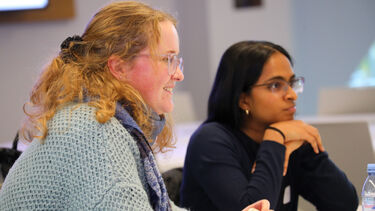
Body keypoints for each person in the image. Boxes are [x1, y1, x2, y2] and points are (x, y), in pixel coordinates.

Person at [0, 2, 274, 211]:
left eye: (177, 61)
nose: (178, 74)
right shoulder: (93, 129)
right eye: (168, 60)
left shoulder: (103, 121)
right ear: (119, 66)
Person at [180, 41, 359, 211]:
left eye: (292, 83)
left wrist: (306, 145)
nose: (291, 95)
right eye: (275, 85)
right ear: (244, 100)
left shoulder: (289, 138)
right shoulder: (210, 141)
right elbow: (252, 209)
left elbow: (343, 205)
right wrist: (275, 137)